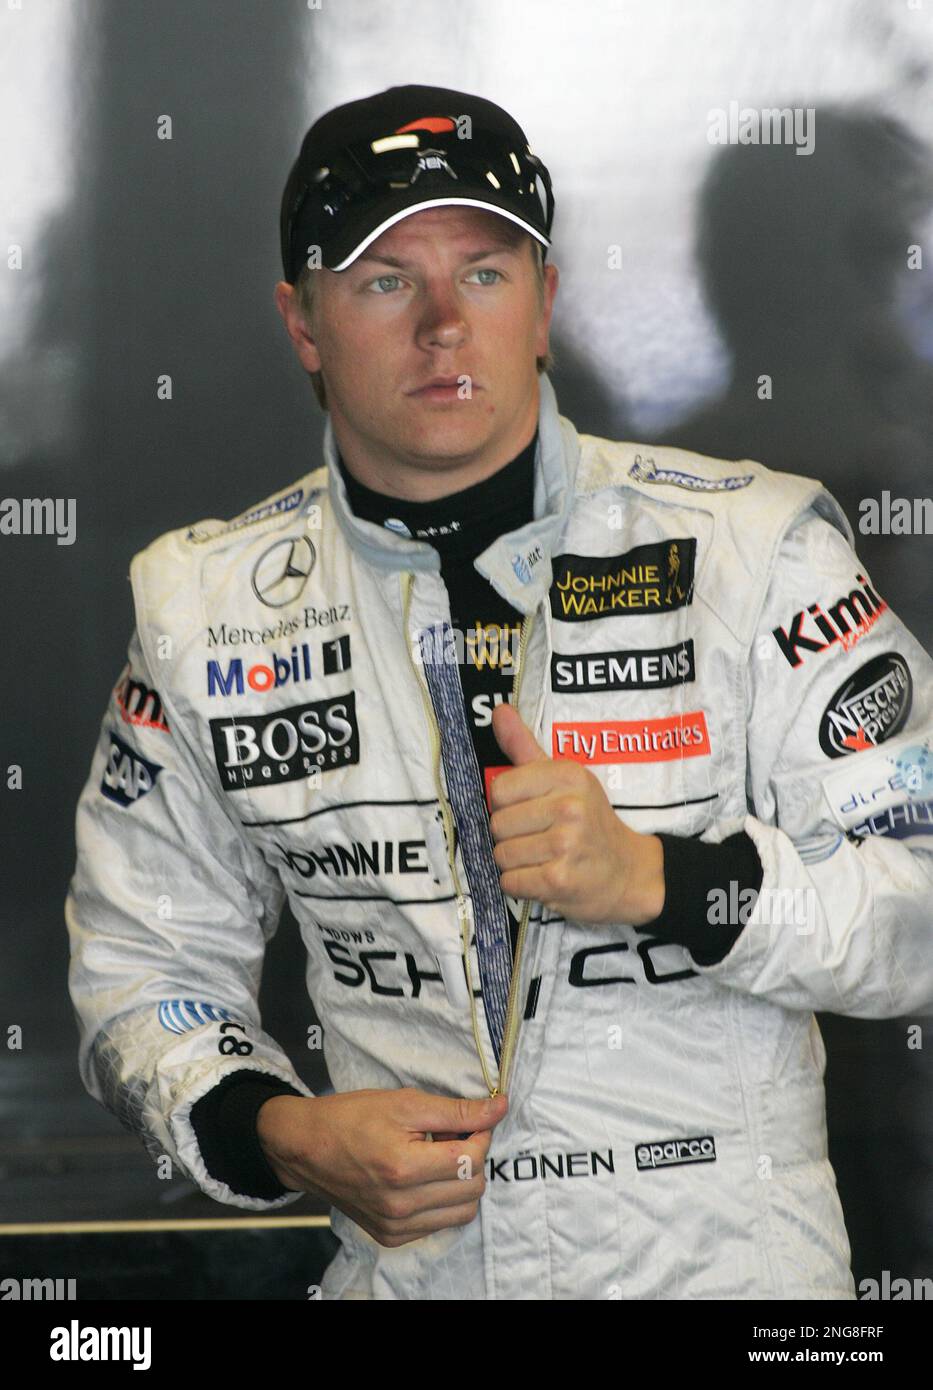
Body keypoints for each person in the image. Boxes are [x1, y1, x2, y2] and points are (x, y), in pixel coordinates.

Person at [66, 84, 933, 1301]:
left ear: (543, 304)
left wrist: (664, 878)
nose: (439, 324)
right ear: (302, 319)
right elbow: (139, 958)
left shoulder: (758, 548)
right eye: (382, 280)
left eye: (482, 271)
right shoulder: (203, 608)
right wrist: (277, 1130)